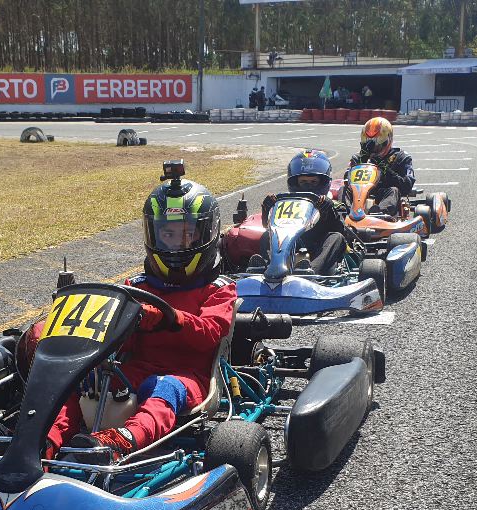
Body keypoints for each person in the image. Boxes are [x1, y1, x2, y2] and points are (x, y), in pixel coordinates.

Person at [40, 169, 237, 461]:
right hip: (136, 369)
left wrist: (167, 318)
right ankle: (45, 443)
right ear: (152, 234)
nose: (176, 244)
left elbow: (210, 334)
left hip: (190, 376)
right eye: (167, 234)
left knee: (164, 388)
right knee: (80, 382)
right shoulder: (137, 286)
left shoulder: (218, 289)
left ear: (204, 235)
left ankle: (120, 442)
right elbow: (116, 340)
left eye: (186, 234)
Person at [253, 150, 350, 275]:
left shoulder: (336, 206)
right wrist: (267, 209)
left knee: (336, 237)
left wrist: (328, 209)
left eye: (313, 182)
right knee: (267, 235)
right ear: (294, 183)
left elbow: (341, 230)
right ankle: (267, 269)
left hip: (320, 249)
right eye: (303, 182)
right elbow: (269, 226)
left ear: (323, 182)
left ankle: (311, 272)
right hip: (292, 244)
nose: (308, 186)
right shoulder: (287, 204)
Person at [349, 116, 416, 214]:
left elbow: (406, 186)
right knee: (344, 189)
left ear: (388, 139)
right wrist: (360, 161)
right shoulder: (359, 158)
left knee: (394, 190)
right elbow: (348, 181)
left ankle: (379, 214)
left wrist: (385, 170)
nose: (374, 147)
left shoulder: (401, 158)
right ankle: (342, 213)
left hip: (384, 195)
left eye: (377, 143)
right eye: (369, 143)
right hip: (359, 195)